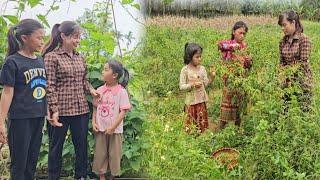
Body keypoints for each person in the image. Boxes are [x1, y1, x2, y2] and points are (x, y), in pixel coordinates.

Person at [42, 21, 99, 180]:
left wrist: (91, 90)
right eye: (75, 37)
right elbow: (49, 85)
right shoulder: (52, 57)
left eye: (79, 37)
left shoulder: (80, 57)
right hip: (60, 111)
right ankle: (54, 177)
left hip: (80, 110)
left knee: (81, 146)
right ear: (63, 36)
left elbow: (84, 81)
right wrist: (54, 109)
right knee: (55, 147)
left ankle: (80, 176)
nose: (77, 40)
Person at [0, 19, 46, 180]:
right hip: (20, 119)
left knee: (32, 161)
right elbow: (7, 92)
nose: (42, 41)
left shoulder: (40, 60)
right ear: (25, 38)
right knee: (19, 163)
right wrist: (1, 122)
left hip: (38, 116)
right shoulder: (12, 62)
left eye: (43, 37)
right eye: (39, 37)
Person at [92, 60, 131, 180]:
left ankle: (112, 177)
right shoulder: (99, 90)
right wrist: (93, 122)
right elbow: (95, 107)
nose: (102, 72)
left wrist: (113, 127)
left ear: (114, 75)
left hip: (115, 130)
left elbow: (123, 112)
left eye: (105, 69)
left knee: (114, 155)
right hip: (101, 129)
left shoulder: (121, 92)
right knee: (100, 153)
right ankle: (101, 176)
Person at [217, 21, 252, 129]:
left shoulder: (245, 46)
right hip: (230, 80)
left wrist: (249, 61)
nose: (242, 36)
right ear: (233, 32)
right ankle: (221, 129)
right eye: (240, 33)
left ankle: (237, 129)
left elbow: (247, 66)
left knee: (239, 105)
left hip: (241, 79)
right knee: (227, 104)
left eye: (244, 34)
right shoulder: (228, 43)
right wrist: (233, 46)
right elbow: (220, 45)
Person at [278, 10, 312, 112]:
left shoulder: (303, 39)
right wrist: (281, 75)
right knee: (284, 110)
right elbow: (281, 61)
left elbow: (303, 63)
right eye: (281, 26)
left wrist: (288, 71)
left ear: (293, 22)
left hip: (302, 81)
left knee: (304, 111)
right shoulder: (282, 41)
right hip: (286, 81)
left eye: (285, 25)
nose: (283, 29)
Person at [179, 42, 215, 133]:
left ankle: (200, 142)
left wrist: (212, 76)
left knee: (201, 126)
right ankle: (191, 144)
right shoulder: (185, 70)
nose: (200, 59)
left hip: (201, 102)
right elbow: (181, 86)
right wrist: (192, 85)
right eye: (197, 57)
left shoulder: (202, 69)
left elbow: (206, 83)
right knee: (190, 127)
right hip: (190, 103)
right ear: (190, 57)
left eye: (200, 56)